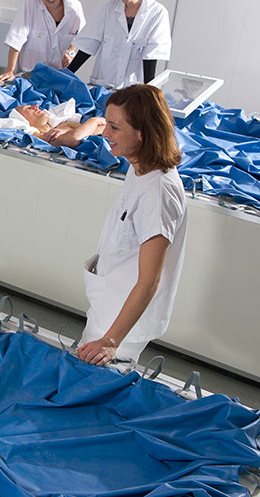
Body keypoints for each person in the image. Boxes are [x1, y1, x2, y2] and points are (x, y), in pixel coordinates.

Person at [78, 85, 187, 366]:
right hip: (107, 306)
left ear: (142, 133)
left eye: (114, 127)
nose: (106, 134)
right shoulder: (138, 165)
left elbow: (150, 280)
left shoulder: (158, 193)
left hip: (120, 327)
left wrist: (111, 341)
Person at [68, 0, 171, 89]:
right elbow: (88, 44)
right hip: (103, 85)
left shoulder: (157, 13)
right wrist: (66, 75)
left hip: (133, 89)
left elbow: (151, 57)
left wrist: (148, 92)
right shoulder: (109, 9)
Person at [0, 0, 86, 84]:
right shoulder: (31, 3)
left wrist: (70, 52)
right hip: (29, 75)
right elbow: (16, 38)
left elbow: (80, 37)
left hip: (59, 76)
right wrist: (10, 71)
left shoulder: (74, 8)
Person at [15, 103, 105, 148]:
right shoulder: (37, 136)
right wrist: (95, 120)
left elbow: (105, 128)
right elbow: (73, 138)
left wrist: (67, 130)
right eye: (28, 109)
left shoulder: (63, 126)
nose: (36, 106)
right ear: (23, 119)